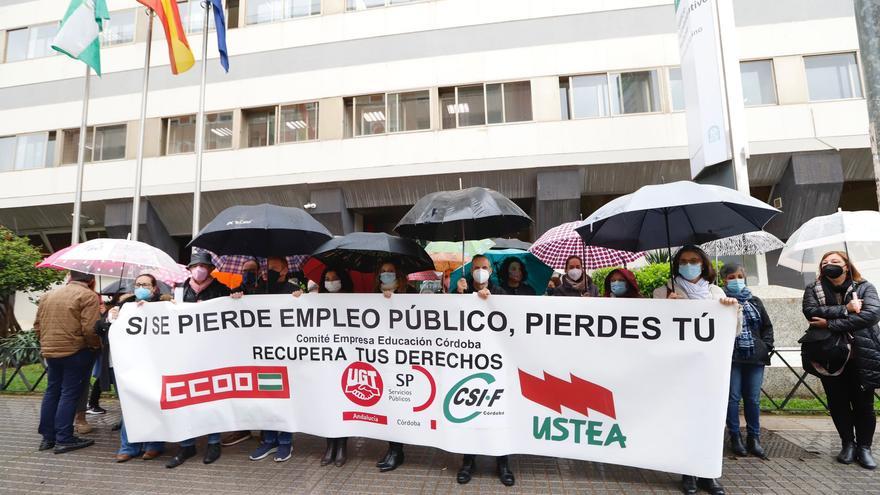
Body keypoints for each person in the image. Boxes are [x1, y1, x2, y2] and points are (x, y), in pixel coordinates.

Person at [652, 245, 739, 495]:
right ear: (676, 264)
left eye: (694, 260)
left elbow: (733, 331)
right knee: (684, 420)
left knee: (709, 421)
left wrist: (733, 309)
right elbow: (653, 331)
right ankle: (687, 472)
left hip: (711, 370)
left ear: (704, 265)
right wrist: (667, 309)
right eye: (684, 261)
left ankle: (707, 474)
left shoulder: (716, 292)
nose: (689, 265)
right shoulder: (662, 292)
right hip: (679, 369)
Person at [802, 251, 880, 470]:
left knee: (864, 404)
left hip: (861, 355)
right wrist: (846, 309)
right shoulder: (812, 288)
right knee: (837, 402)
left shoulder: (864, 287)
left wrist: (830, 324)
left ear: (847, 266)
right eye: (825, 262)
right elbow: (811, 313)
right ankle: (847, 444)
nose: (829, 265)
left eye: (835, 262)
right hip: (829, 356)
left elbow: (870, 316)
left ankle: (864, 448)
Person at [231, 256, 300, 463]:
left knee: (285, 400)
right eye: (268, 268)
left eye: (275, 268)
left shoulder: (292, 290)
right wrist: (237, 297)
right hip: (262, 356)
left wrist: (300, 299)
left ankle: (286, 442)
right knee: (267, 397)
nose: (270, 271)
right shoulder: (258, 288)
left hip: (286, 356)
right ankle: (269, 440)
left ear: (285, 270)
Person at [454, 255, 515, 487]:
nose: (480, 271)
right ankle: (468, 461)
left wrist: (491, 300)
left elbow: (511, 318)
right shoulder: (461, 289)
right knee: (470, 413)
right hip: (469, 363)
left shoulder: (501, 291)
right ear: (471, 271)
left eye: (484, 267)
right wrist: (460, 296)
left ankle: (503, 462)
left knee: (499, 414)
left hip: (497, 364)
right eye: (476, 268)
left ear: (490, 270)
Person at [166, 252, 231, 469]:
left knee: (211, 396)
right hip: (183, 353)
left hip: (212, 352)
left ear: (211, 269)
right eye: (196, 265)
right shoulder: (178, 289)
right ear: (190, 268)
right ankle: (187, 444)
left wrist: (237, 299)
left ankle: (213, 442)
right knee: (185, 396)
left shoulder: (221, 289)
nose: (199, 269)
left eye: (204, 265)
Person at [34, 270, 101, 454]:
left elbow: (37, 325)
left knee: (52, 391)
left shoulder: (49, 295)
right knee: (69, 393)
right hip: (76, 351)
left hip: (50, 350)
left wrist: (46, 342)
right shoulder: (88, 295)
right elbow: (90, 329)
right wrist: (95, 346)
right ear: (91, 280)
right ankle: (64, 438)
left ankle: (48, 438)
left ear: (70, 277)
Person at [110, 274, 168, 462]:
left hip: (157, 363)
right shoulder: (125, 306)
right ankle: (129, 447)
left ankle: (154, 446)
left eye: (145, 284)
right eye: (137, 284)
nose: (140, 287)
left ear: (154, 288)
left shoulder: (163, 303)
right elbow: (100, 326)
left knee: (154, 403)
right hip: (133, 364)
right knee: (131, 405)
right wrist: (112, 316)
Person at [720, 263, 773, 459]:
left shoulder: (755, 301)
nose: (735, 280)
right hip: (732, 357)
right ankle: (735, 436)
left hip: (755, 357)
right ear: (724, 280)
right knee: (732, 398)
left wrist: (766, 346)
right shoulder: (721, 301)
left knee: (753, 399)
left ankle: (754, 437)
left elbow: (767, 327)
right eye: (731, 277)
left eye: (739, 276)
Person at [374, 260, 409, 472]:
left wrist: (396, 302)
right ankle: (393, 449)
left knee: (400, 404)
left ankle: (398, 450)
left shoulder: (410, 293)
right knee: (388, 405)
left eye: (391, 271)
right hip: (381, 360)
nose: (386, 275)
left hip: (403, 361)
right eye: (383, 272)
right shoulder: (371, 295)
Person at [316, 267, 352, 466]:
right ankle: (329, 445)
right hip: (326, 362)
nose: (331, 281)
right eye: (327, 279)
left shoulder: (354, 300)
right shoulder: (316, 300)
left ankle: (342, 446)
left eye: (335, 277)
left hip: (346, 361)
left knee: (343, 403)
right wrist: (297, 298)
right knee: (328, 404)